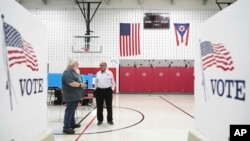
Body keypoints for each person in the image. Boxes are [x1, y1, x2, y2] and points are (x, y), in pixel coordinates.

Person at [61, 59, 86, 134]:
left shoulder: (74, 72)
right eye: (77, 63)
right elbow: (71, 83)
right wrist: (81, 84)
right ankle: (66, 127)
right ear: (73, 64)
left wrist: (82, 83)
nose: (78, 65)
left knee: (72, 110)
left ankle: (72, 123)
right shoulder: (67, 72)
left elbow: (77, 81)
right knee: (69, 110)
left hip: (75, 95)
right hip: (71, 95)